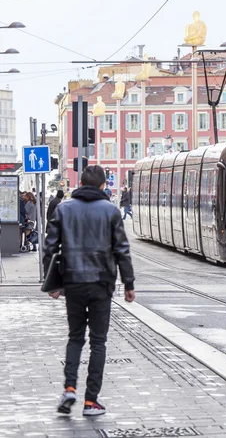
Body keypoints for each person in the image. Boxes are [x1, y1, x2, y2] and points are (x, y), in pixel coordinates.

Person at [44, 165, 135, 416]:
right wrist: (129, 284)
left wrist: (52, 283)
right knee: (98, 342)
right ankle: (90, 401)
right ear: (103, 185)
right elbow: (122, 250)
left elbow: (50, 247)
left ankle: (69, 387)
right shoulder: (110, 211)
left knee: (75, 337)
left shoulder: (64, 209)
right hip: (101, 283)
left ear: (80, 183)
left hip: (72, 283)